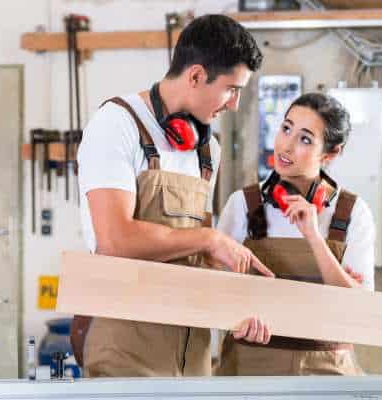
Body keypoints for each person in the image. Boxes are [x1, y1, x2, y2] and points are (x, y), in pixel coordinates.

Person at [72, 14, 274, 378]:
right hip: (127, 346)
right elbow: (114, 240)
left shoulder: (206, 148)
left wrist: (236, 309)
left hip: (192, 352)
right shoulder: (117, 125)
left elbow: (197, 257)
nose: (233, 105)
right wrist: (210, 238)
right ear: (196, 76)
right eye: (232, 89)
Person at [216, 92, 376, 376]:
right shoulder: (242, 205)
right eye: (286, 128)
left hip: (328, 373)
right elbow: (213, 292)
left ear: (331, 153)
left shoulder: (352, 213)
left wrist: (314, 237)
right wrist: (237, 320)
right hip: (250, 367)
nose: (285, 146)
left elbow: (361, 310)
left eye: (305, 139)